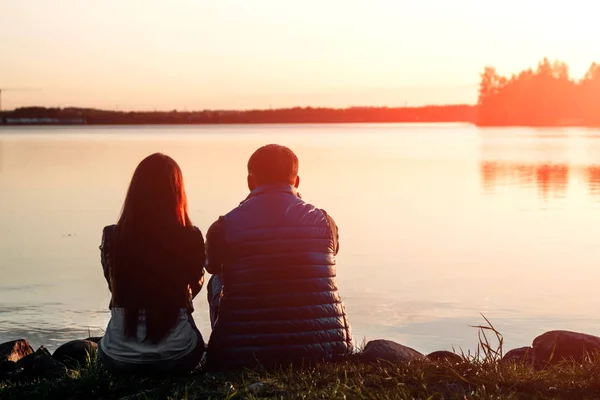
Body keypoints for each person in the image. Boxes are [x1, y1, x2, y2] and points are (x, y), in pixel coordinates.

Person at [205, 144, 353, 369]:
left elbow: (212, 265)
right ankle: (325, 339)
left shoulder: (223, 227)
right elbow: (330, 253)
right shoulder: (324, 221)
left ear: (250, 182)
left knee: (216, 279)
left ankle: (229, 344)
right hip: (326, 351)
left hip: (243, 357)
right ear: (297, 181)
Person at [98, 153, 206, 374]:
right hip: (178, 356)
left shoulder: (113, 236)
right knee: (192, 333)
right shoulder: (190, 235)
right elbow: (195, 284)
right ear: (178, 192)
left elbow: (113, 285)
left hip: (118, 358)